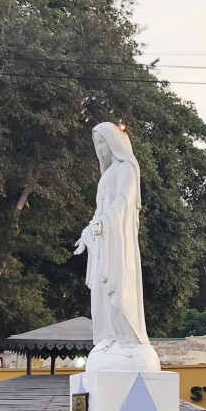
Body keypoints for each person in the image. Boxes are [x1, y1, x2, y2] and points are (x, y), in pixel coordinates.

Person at [73, 121, 159, 363]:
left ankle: (125, 335)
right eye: (96, 143)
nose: (99, 148)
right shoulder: (106, 175)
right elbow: (100, 209)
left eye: (102, 141)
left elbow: (123, 200)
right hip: (103, 241)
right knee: (101, 293)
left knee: (119, 290)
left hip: (118, 241)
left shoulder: (127, 168)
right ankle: (109, 335)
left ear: (114, 141)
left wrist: (103, 223)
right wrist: (89, 231)